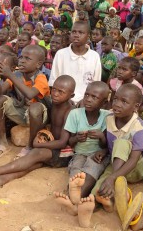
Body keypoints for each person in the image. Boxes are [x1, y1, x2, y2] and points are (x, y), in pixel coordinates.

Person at [0, 75, 75, 191]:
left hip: (64, 153)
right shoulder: (54, 103)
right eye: (54, 89)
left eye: (61, 92)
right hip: (53, 148)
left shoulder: (69, 112)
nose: (56, 93)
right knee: (31, 165)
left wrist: (39, 145)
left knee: (35, 154)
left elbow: (62, 143)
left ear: (71, 96)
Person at [83, 84, 143, 227]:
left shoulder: (138, 127)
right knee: (99, 185)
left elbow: (133, 160)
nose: (117, 104)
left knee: (121, 143)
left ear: (136, 106)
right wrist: (104, 150)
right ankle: (101, 201)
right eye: (116, 99)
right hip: (115, 166)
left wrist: (113, 177)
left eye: (124, 102)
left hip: (132, 170)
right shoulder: (110, 118)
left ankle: (118, 188)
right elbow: (109, 143)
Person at [53, 81, 111, 228]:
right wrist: (76, 138)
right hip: (79, 153)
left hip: (98, 154)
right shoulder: (75, 113)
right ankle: (76, 199)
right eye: (87, 95)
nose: (88, 99)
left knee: (92, 168)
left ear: (104, 102)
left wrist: (101, 137)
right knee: (76, 171)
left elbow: (107, 145)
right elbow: (69, 142)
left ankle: (72, 200)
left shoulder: (107, 116)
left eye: (94, 97)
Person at [0, 45, 51, 158]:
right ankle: (3, 142)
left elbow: (30, 94)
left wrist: (10, 75)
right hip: (23, 113)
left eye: (27, 58)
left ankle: (30, 147)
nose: (22, 61)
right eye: (21, 57)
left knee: (34, 107)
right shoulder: (17, 75)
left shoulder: (40, 77)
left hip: (40, 116)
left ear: (38, 64)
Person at [50, 21, 101, 104]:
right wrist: (66, 99)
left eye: (81, 32)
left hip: (86, 103)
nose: (76, 35)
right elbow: (53, 82)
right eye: (73, 32)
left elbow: (95, 85)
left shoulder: (94, 56)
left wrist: (84, 100)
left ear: (88, 36)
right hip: (63, 101)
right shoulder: (61, 54)